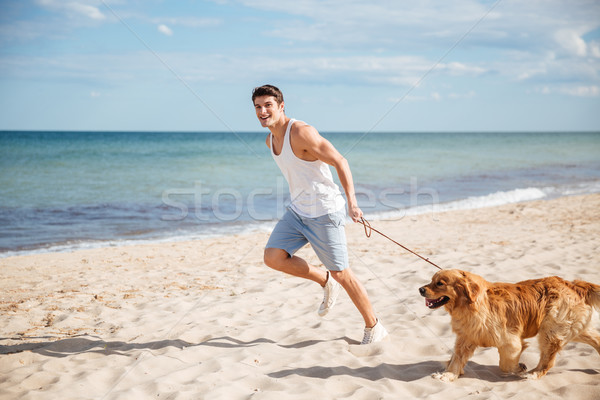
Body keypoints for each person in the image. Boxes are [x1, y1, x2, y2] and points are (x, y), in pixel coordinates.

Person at [252, 84, 388, 344]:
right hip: (298, 212)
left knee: (343, 273)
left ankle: (374, 326)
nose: (262, 111)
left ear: (281, 106)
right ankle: (324, 280)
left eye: (268, 105)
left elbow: (340, 161)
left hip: (325, 212)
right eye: (258, 107)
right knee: (273, 257)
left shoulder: (302, 132)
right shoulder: (270, 140)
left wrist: (352, 203)